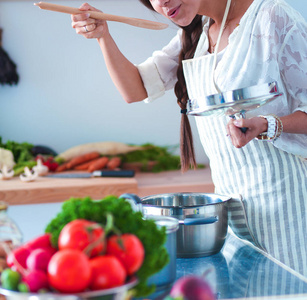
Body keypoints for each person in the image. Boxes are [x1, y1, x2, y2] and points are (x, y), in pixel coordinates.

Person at [71, 0, 307, 277]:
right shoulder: (198, 33)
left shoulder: (273, 16)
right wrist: (103, 37)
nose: (161, 3)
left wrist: (267, 124)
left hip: (288, 206)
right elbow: (134, 89)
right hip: (232, 209)